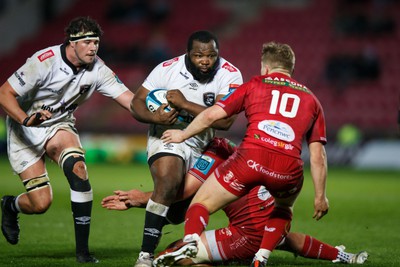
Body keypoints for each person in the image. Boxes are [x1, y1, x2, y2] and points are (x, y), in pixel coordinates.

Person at [157, 41, 329, 267]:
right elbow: (318, 155)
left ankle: (191, 239)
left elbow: (211, 116)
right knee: (284, 208)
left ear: (265, 67)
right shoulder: (312, 100)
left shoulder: (254, 85)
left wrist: (183, 135)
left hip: (251, 159)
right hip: (288, 170)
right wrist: (320, 196)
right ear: (291, 69)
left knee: (201, 204)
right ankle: (261, 257)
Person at [102, 138, 368, 265]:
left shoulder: (212, 152)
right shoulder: (233, 147)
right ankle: (344, 256)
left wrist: (140, 199)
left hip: (248, 233)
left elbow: (183, 193)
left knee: (175, 256)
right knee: (282, 238)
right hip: (273, 219)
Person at [0, 16, 134, 263]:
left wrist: (158, 111)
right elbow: (4, 93)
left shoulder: (98, 68)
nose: (93, 47)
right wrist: (25, 119)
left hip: (59, 126)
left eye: (96, 42)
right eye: (88, 42)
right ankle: (10, 206)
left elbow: (130, 101)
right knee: (41, 204)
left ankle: (82, 252)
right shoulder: (43, 61)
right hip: (24, 129)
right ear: (72, 43)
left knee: (78, 170)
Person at [130, 30, 243, 267]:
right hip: (168, 136)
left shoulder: (230, 74)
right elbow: (136, 102)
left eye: (211, 56)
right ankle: (145, 256)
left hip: (203, 144)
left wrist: (184, 104)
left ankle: (155, 210)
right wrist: (156, 117)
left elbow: (224, 121)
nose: (205, 61)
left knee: (176, 213)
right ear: (187, 54)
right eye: (199, 56)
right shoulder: (167, 69)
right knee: (168, 182)